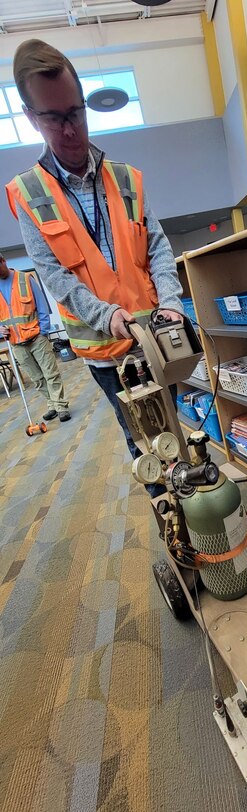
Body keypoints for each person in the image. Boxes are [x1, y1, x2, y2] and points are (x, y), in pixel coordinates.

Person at [6, 39, 183, 496]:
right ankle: (175, 525)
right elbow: (54, 276)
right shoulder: (28, 192)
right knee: (144, 440)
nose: (69, 129)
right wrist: (107, 316)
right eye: (54, 118)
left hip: (157, 334)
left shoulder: (124, 177)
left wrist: (172, 301)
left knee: (178, 430)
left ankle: (195, 498)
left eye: (76, 113)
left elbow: (158, 246)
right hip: (104, 348)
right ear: (31, 117)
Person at [0, 253, 71, 421]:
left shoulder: (24, 279)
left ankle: (61, 406)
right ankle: (52, 404)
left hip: (36, 337)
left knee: (51, 373)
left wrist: (44, 332)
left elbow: (42, 306)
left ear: (3, 261)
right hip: (16, 342)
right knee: (37, 378)